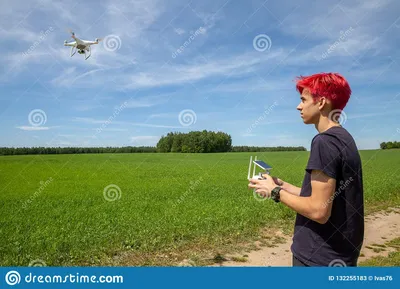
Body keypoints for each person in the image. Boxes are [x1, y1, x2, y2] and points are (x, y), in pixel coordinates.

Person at [248, 72, 364, 267]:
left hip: (317, 256)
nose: (298, 106)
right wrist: (281, 185)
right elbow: (323, 197)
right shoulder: (344, 138)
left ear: (321, 103)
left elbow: (319, 210)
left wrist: (275, 192)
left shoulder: (324, 142)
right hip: (340, 254)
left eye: (303, 99)